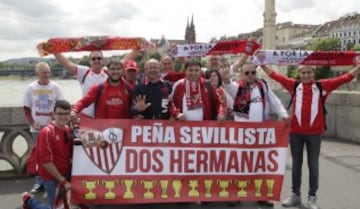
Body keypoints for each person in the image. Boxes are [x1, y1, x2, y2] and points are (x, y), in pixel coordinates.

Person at [258, 63, 360, 209]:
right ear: (299, 73)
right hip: (295, 133)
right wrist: (262, 64)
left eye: (309, 72)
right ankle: (295, 196)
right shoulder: (294, 85)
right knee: (296, 165)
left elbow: (346, 78)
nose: (306, 75)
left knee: (313, 166)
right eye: (303, 72)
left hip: (314, 134)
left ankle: (312, 197)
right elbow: (276, 76)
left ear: (314, 73)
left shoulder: (322, 86)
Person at [221, 62, 289, 207]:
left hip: (260, 133)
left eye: (253, 72)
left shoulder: (263, 86)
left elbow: (274, 101)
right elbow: (227, 85)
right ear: (242, 74)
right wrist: (226, 79)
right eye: (247, 73)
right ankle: (235, 193)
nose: (250, 75)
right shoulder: (236, 87)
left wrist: (283, 113)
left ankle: (262, 194)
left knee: (261, 165)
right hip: (241, 134)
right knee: (238, 164)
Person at [54, 50, 138, 117]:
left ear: (103, 60)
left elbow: (125, 60)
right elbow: (67, 64)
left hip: (105, 117)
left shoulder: (110, 71)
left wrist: (138, 48)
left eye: (99, 58)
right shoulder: (84, 72)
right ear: (90, 61)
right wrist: (54, 50)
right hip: (87, 116)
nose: (96, 60)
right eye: (94, 59)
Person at [22, 100, 73, 209]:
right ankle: (29, 201)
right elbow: (46, 163)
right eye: (59, 113)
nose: (63, 117)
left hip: (65, 172)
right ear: (53, 115)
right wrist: (63, 181)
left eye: (66, 113)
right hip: (51, 177)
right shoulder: (47, 132)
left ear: (70, 114)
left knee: (64, 204)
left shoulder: (67, 129)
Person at [23, 62, 63, 194]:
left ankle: (52, 182)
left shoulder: (55, 87)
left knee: (54, 156)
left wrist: (54, 119)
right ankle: (39, 183)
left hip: (53, 128)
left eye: (48, 72)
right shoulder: (30, 88)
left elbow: (61, 106)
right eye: (44, 72)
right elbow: (26, 108)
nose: (47, 75)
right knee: (39, 157)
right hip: (37, 129)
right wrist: (32, 122)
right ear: (37, 73)